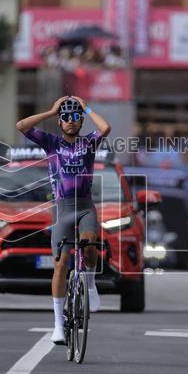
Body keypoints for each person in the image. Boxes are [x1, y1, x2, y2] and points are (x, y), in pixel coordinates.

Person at [14, 96, 111, 345]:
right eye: (66, 117)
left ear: (80, 121)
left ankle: (90, 284)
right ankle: (58, 324)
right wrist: (51, 111)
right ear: (60, 121)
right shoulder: (51, 142)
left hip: (86, 206)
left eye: (75, 117)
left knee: (89, 247)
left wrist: (86, 107)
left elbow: (105, 128)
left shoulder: (89, 142)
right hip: (62, 208)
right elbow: (21, 126)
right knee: (61, 263)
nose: (71, 120)